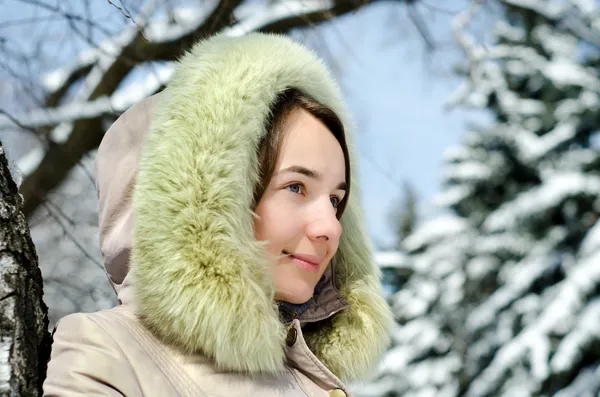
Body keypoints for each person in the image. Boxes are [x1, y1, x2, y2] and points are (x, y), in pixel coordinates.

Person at [43, 33, 392, 397]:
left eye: (336, 201)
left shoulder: (310, 373)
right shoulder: (106, 349)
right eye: (295, 187)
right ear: (203, 199)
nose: (331, 228)